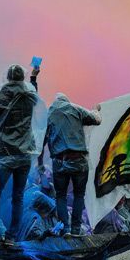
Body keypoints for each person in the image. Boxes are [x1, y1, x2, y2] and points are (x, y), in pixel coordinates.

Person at [0, 64, 39, 246]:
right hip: (25, 155)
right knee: (18, 196)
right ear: (22, 78)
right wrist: (34, 79)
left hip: (6, 154)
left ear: (8, 77)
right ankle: (12, 237)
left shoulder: (2, 96)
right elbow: (35, 94)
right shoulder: (30, 96)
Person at [38, 93, 101, 236]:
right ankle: (76, 230)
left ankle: (64, 229)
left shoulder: (49, 115)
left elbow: (40, 144)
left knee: (60, 196)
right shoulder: (75, 109)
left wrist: (40, 165)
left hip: (59, 162)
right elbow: (97, 120)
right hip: (79, 160)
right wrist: (96, 109)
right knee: (79, 195)